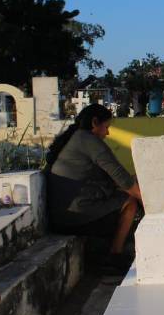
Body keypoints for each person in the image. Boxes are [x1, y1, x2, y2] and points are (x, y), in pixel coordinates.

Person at [44, 104, 142, 268]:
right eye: (106, 127)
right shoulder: (88, 140)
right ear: (95, 123)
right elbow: (121, 178)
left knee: (127, 191)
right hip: (73, 216)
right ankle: (114, 256)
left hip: (60, 216)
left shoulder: (75, 138)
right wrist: (147, 200)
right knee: (130, 202)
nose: (107, 132)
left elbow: (114, 178)